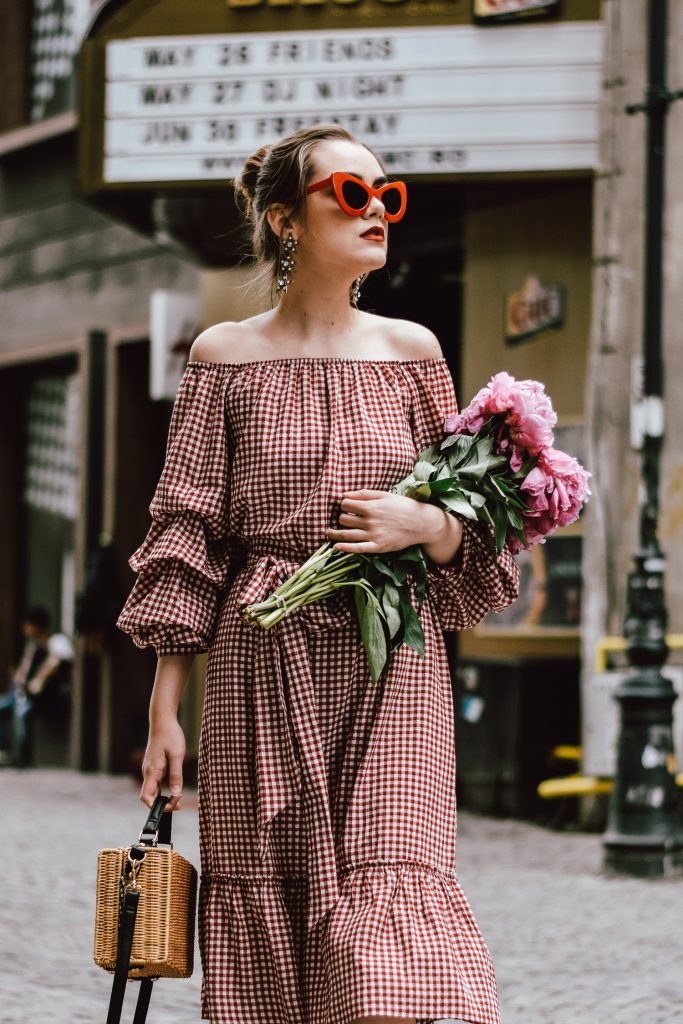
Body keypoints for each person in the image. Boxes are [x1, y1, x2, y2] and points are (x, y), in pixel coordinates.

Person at [116, 124, 520, 1024]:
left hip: (394, 663)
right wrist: (163, 714)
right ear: (283, 219)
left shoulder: (415, 353)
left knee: (391, 944)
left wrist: (429, 526)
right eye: (350, 192)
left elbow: (474, 526)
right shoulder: (221, 358)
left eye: (387, 194)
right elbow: (191, 539)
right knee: (272, 910)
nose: (376, 208)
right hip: (263, 664)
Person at [0, 605, 74, 767]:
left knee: (22, 711)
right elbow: (23, 674)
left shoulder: (56, 642)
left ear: (36, 625)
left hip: (46, 696)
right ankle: (3, 751)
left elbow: (57, 663)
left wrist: (38, 680)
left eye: (28, 624)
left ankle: (22, 757)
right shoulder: (32, 646)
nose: (25, 629)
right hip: (23, 693)